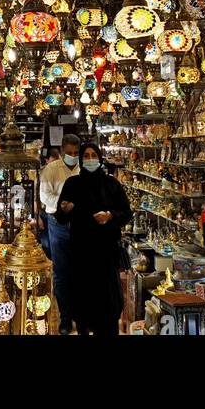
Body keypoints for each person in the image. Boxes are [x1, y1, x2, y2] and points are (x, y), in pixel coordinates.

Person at [54, 141, 132, 336]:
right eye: (86, 156)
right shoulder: (73, 184)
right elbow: (60, 217)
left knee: (108, 308)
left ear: (100, 157)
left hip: (106, 254)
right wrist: (65, 210)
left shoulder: (111, 184)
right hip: (81, 254)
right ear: (81, 160)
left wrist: (110, 216)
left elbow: (127, 213)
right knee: (83, 306)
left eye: (93, 155)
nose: (90, 159)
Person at [38, 133, 80, 332]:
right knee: (62, 272)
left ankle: (80, 315)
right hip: (58, 224)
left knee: (80, 271)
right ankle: (65, 317)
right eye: (69, 153)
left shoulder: (84, 170)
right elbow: (45, 196)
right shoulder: (51, 170)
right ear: (62, 151)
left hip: (81, 225)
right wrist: (64, 205)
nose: (73, 156)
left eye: (76, 153)